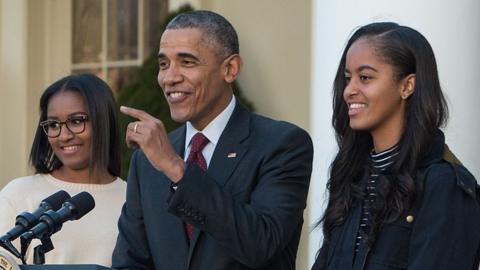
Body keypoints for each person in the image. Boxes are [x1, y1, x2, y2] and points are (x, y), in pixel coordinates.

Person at [112, 10, 313, 270]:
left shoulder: (282, 144)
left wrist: (177, 170)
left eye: (187, 62)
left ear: (230, 69)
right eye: (163, 64)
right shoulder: (146, 161)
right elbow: (130, 263)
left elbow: (261, 244)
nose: (169, 77)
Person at [312, 22, 480, 270]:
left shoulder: (445, 184)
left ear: (407, 86)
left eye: (365, 77)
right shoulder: (352, 175)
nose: (349, 90)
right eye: (348, 78)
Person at [0, 74, 126, 266]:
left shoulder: (133, 199)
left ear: (104, 121)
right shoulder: (18, 194)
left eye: (76, 121)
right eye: (53, 125)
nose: (64, 136)